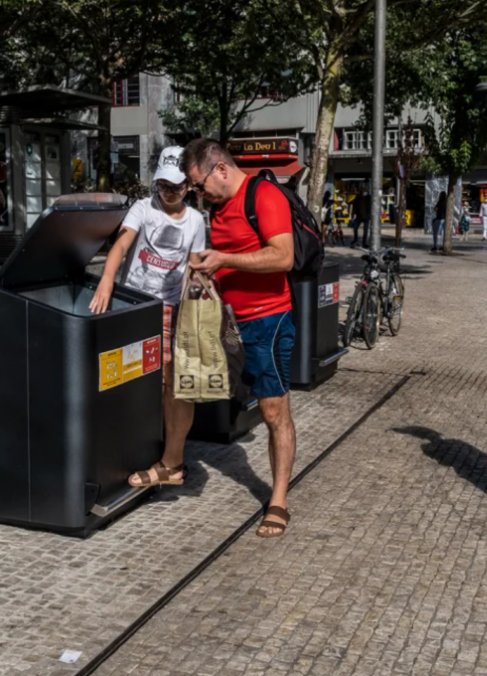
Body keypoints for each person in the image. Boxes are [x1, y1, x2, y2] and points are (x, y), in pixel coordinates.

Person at [182, 138, 297, 538]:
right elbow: (229, 255)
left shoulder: (263, 195)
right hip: (231, 322)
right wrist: (205, 269)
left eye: (199, 185)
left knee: (272, 410)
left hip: (268, 320)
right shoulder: (218, 209)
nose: (199, 194)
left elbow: (283, 256)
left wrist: (224, 259)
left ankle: (278, 499)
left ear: (221, 169)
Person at [90, 147, 206, 488]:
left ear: (188, 185)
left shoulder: (195, 221)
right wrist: (107, 281)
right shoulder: (143, 208)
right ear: (155, 182)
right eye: (164, 186)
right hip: (135, 304)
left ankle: (173, 462)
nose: (170, 193)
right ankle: (133, 450)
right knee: (133, 380)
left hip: (171, 308)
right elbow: (121, 245)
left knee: (176, 384)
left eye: (177, 187)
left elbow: (197, 268)